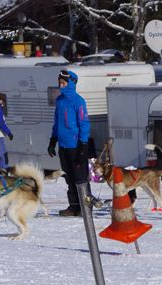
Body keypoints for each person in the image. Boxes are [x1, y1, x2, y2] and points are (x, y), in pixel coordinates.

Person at [48, 69, 90, 217]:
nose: (61, 85)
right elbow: (57, 123)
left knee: (80, 178)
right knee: (69, 177)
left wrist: (83, 145)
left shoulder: (78, 101)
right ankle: (73, 207)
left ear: (71, 83)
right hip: (63, 146)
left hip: (75, 146)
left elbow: (84, 123)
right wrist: (53, 141)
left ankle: (85, 207)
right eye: (59, 83)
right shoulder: (60, 100)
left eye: (63, 83)